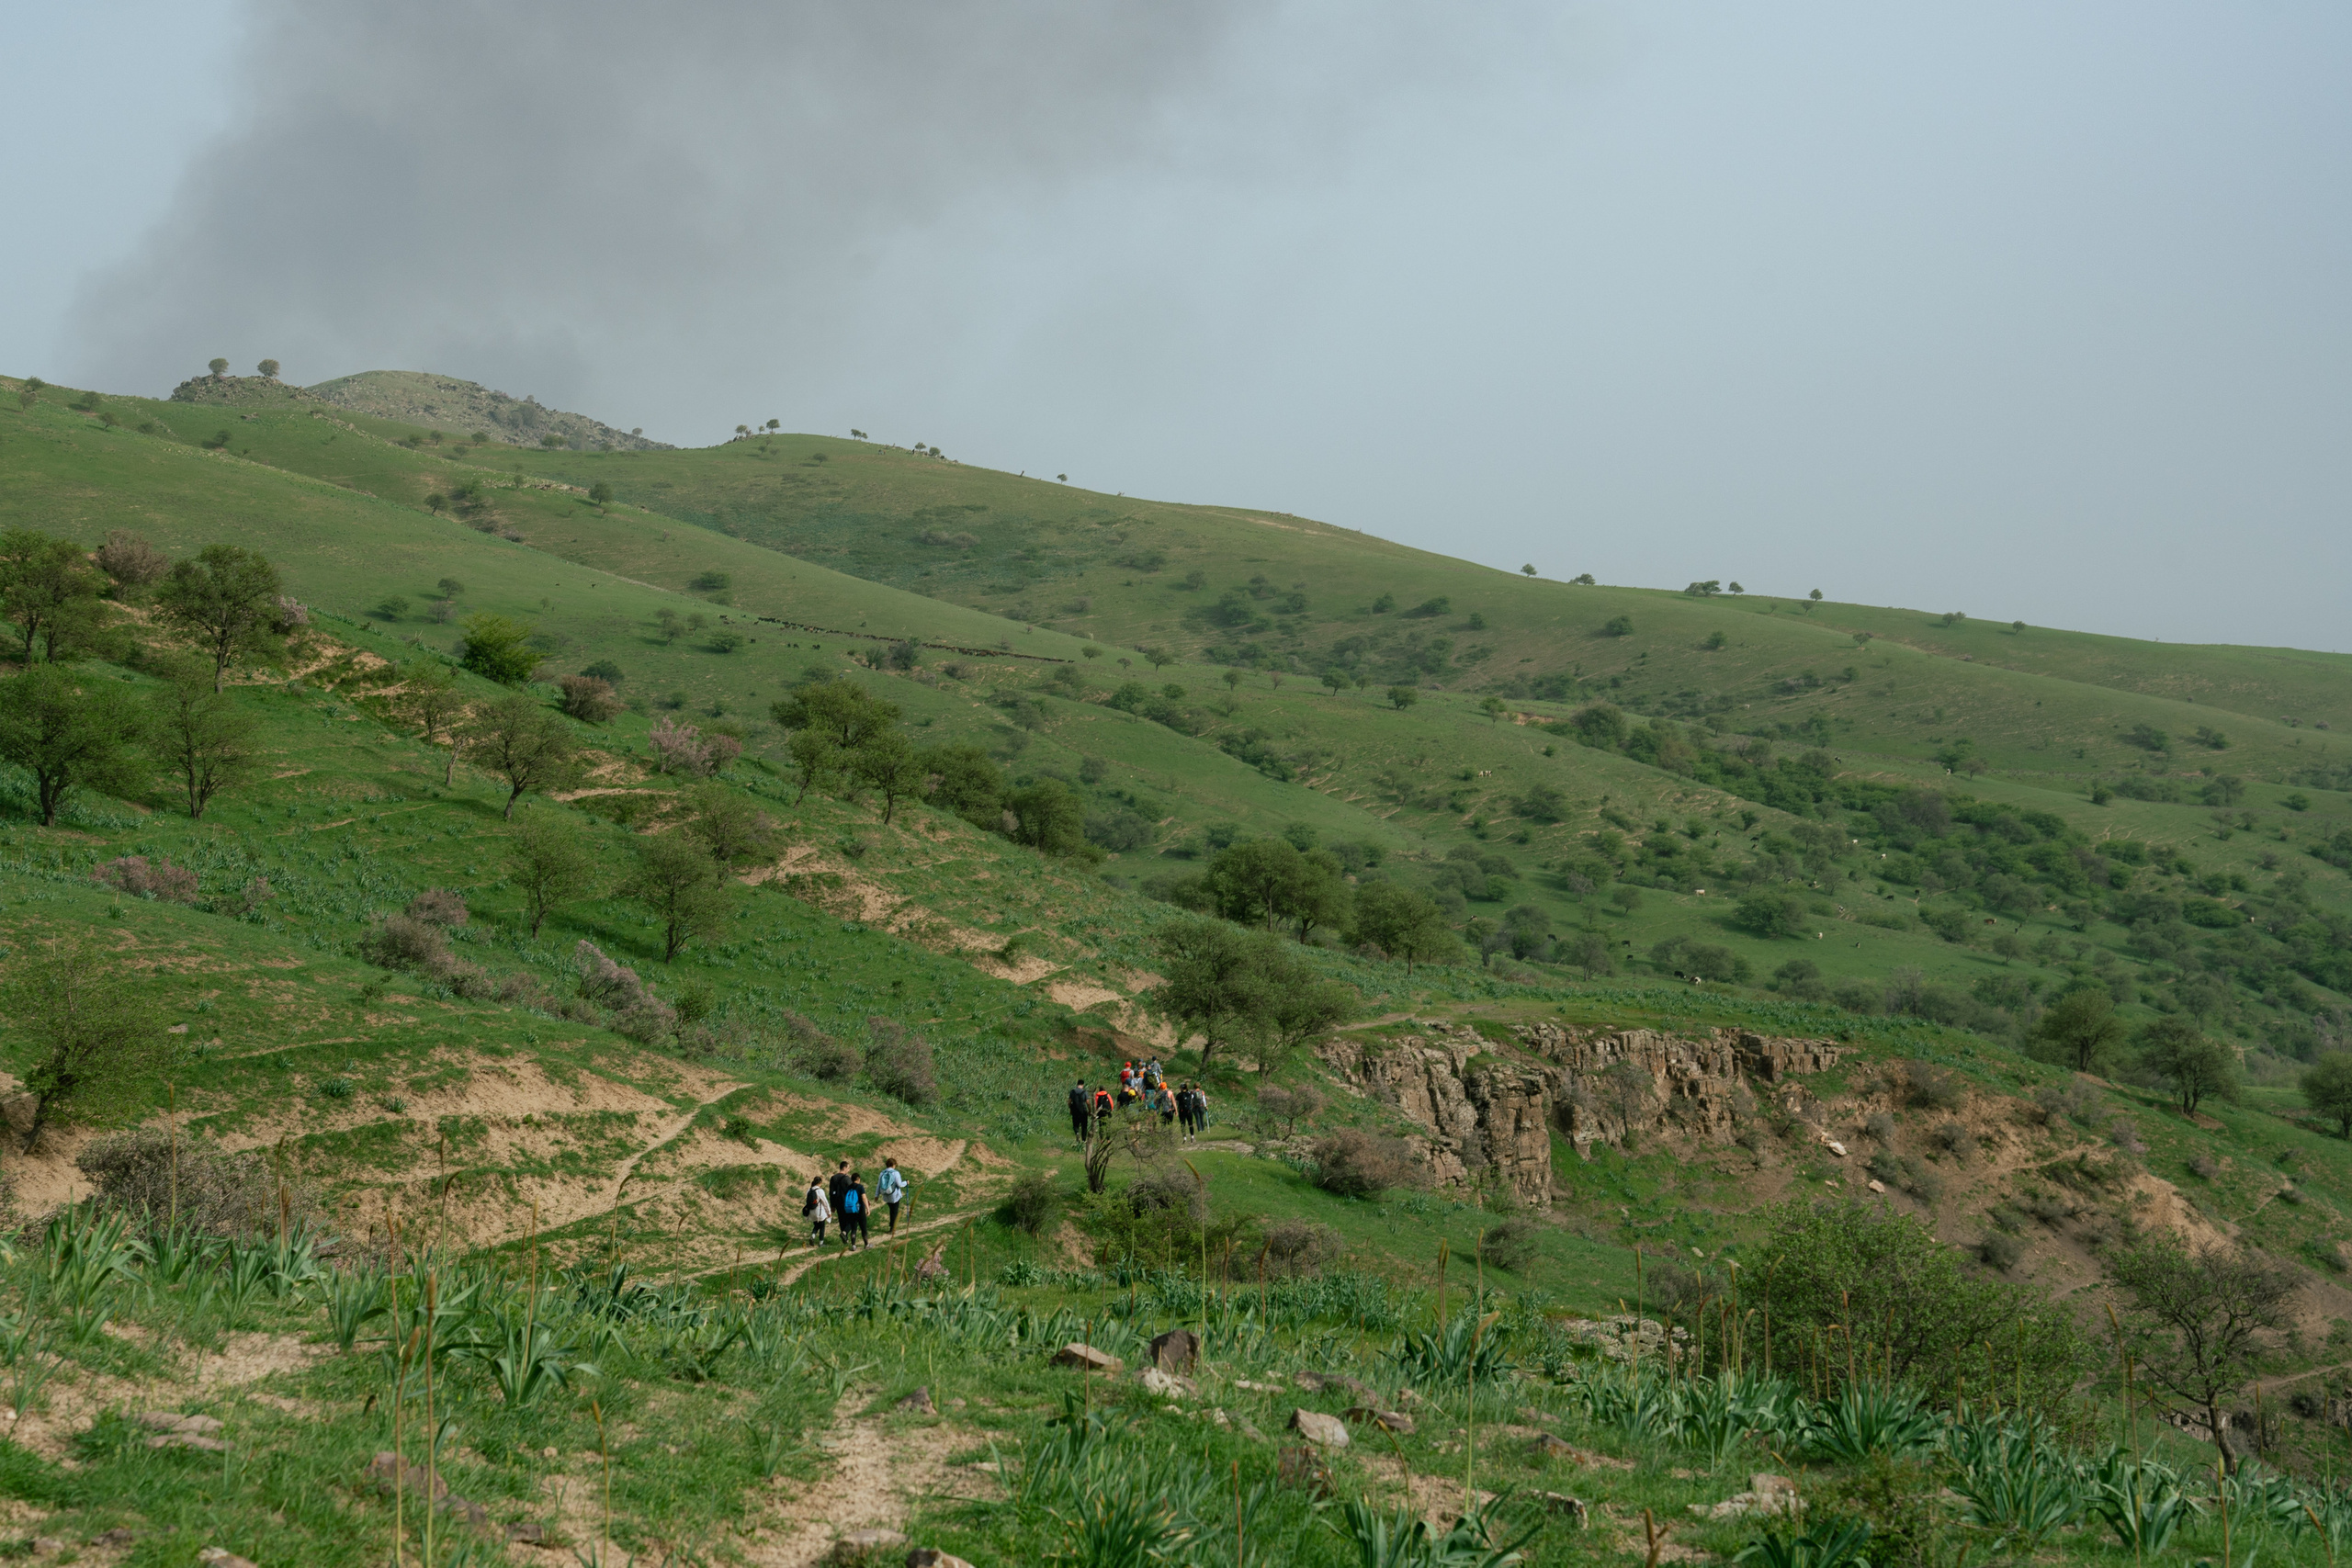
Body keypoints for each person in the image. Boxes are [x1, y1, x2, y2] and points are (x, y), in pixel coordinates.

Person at [842, 1171, 869, 1249]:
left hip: (850, 1210)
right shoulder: (860, 1187)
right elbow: (863, 1197)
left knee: (853, 1228)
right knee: (863, 1227)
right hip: (859, 1210)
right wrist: (867, 1208)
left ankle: (853, 1245)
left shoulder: (848, 1188)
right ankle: (866, 1244)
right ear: (858, 1179)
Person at [802, 1175, 832, 1247]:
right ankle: (821, 1243)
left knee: (816, 1225)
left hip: (811, 1212)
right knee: (822, 1226)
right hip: (819, 1212)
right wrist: (829, 1212)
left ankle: (812, 1236)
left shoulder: (809, 1190)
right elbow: (825, 1202)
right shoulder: (820, 1191)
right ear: (820, 1183)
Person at [878, 1157, 906, 1234]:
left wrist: (877, 1195)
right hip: (894, 1195)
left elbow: (879, 1185)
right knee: (894, 1212)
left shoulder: (882, 1173)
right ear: (893, 1165)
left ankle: (892, 1227)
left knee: (892, 1211)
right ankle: (893, 1229)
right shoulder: (896, 1173)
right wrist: (906, 1183)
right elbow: (899, 1184)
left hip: (886, 1195)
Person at [827, 1159, 852, 1226]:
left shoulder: (833, 1178)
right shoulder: (847, 1179)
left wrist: (832, 1205)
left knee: (841, 1220)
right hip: (846, 1202)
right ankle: (845, 1232)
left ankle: (843, 1231)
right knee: (850, 1220)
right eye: (848, 1168)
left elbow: (831, 1193)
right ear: (844, 1168)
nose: (849, 1170)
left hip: (837, 1202)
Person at [1068, 1079, 1091, 1145]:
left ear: (1077, 1084)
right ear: (1083, 1085)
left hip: (1075, 1110)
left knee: (1075, 1124)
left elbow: (1069, 1102)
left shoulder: (1072, 1092)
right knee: (1084, 1126)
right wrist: (1089, 1111)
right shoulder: (1085, 1092)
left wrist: (1071, 1109)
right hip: (1083, 1110)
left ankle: (1077, 1133)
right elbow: (1088, 1103)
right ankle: (1083, 1140)